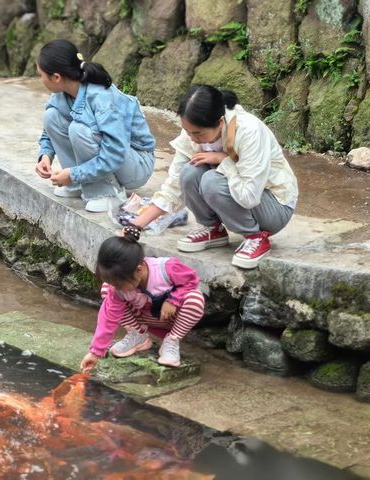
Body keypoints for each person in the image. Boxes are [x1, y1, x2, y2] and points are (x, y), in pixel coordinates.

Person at [128, 84, 298, 269]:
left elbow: (250, 196)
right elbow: (174, 183)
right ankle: (212, 229)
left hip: (274, 207)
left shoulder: (249, 131)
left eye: (197, 133)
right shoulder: (193, 131)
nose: (192, 138)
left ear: (220, 122)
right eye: (188, 131)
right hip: (238, 196)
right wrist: (136, 226)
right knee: (189, 171)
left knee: (211, 181)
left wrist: (223, 160)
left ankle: (256, 237)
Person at [34, 39, 156, 213]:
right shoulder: (63, 93)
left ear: (56, 77)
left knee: (79, 130)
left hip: (136, 165)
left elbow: (115, 152)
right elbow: (49, 130)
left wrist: (74, 174)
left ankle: (107, 193)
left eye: (41, 75)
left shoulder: (102, 98)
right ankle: (78, 185)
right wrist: (45, 156)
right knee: (51, 116)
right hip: (115, 158)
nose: (41, 79)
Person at [80, 228, 205, 372]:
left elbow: (192, 280)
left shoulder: (166, 269)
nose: (117, 288)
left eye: (119, 284)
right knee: (107, 291)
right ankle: (138, 335)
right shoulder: (118, 289)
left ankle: (172, 341)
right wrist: (95, 352)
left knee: (195, 299)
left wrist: (173, 300)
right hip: (145, 319)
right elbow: (108, 318)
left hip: (172, 319)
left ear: (138, 270)